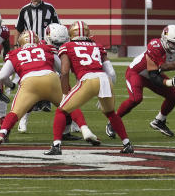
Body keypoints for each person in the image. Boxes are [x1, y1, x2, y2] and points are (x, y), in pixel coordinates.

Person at [0, 26, 101, 148]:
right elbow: (62, 70)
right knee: (70, 105)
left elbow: (2, 76)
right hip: (50, 79)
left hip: (29, 82)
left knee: (15, 112)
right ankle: (86, 130)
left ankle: (2, 133)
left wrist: (11, 85)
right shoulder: (46, 48)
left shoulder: (14, 53)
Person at [47, 20, 133, 155]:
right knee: (110, 113)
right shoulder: (97, 46)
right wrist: (106, 91)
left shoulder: (67, 46)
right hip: (104, 80)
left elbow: (64, 72)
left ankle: (56, 145)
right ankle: (127, 144)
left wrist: (64, 93)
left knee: (61, 111)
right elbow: (111, 72)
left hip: (87, 79)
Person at [111, 24, 175, 138]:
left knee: (174, 96)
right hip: (137, 73)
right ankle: (113, 122)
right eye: (173, 43)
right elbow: (154, 77)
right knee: (136, 99)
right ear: (164, 39)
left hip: (152, 74)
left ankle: (159, 121)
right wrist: (169, 83)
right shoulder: (155, 47)